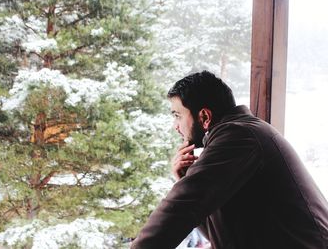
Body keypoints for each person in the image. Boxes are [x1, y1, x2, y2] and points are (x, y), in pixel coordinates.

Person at [131, 71, 328, 249]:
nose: (175, 126)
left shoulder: (239, 135)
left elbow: (183, 206)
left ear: (205, 116)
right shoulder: (243, 135)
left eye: (177, 116)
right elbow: (221, 234)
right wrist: (185, 178)